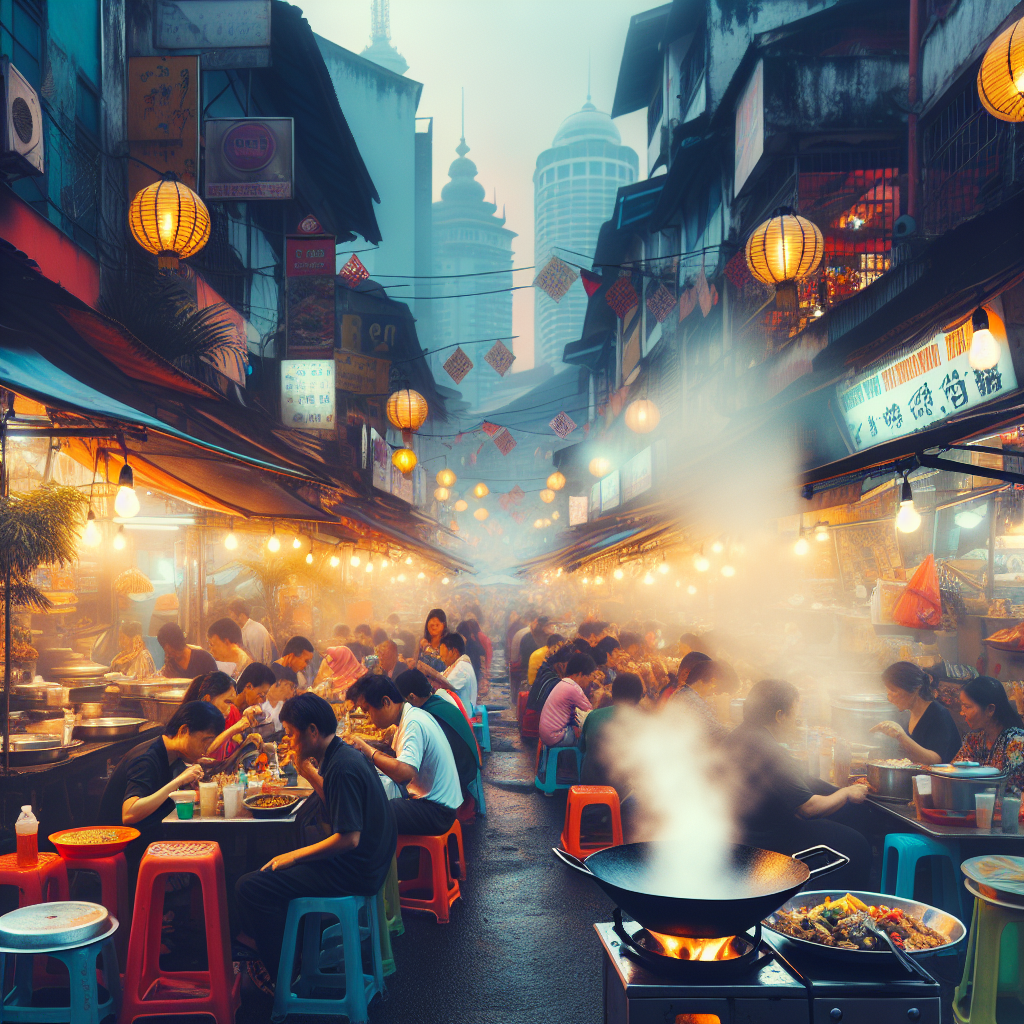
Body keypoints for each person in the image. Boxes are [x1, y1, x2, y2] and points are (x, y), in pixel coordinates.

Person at [235, 692, 397, 995]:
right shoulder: (341, 755)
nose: (289, 740)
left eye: (293, 734)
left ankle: (283, 974)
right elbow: (339, 803)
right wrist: (307, 770)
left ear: (312, 731)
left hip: (358, 870)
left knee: (250, 886)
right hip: (369, 862)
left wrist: (296, 856)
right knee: (270, 872)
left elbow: (349, 838)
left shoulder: (342, 766)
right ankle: (283, 951)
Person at [725, 679, 871, 890]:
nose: (798, 719)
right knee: (856, 844)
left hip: (738, 832)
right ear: (779, 715)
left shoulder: (740, 735)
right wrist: (847, 792)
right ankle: (833, 908)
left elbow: (792, 782)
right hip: (763, 841)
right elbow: (808, 809)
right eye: (795, 712)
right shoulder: (766, 747)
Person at [99, 700, 225, 867]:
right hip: (121, 845)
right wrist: (178, 781)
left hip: (145, 836)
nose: (206, 749)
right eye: (205, 741)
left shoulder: (173, 756)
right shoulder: (146, 758)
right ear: (184, 731)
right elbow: (129, 814)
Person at [348, 675, 462, 836]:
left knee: (371, 812)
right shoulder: (410, 716)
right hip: (436, 803)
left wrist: (368, 750)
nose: (367, 717)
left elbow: (404, 774)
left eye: (367, 710)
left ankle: (382, 861)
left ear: (386, 702)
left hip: (438, 811)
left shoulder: (413, 723)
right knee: (372, 797)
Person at [395, 668, 480, 804]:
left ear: (412, 697)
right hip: (468, 769)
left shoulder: (427, 716)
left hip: (460, 778)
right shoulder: (437, 702)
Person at [870, 662, 962, 765]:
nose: (890, 699)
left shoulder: (938, 714)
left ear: (915, 689)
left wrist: (901, 736)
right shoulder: (906, 713)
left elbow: (935, 761)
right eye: (888, 693)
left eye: (893, 691)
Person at [953, 676, 1024, 795]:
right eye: (962, 706)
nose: (962, 712)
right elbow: (954, 772)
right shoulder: (974, 740)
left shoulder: (1016, 743)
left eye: (967, 707)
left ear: (990, 709)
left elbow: (1009, 791)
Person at [578, 672, 643, 786]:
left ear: (613, 694)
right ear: (639, 697)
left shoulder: (593, 715)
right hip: (619, 791)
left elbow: (582, 748)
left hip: (587, 783)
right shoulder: (640, 722)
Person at [180, 671, 261, 760]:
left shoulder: (231, 712)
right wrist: (233, 729)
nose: (230, 708)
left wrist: (247, 742)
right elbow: (204, 753)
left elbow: (231, 752)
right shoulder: (194, 722)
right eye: (227, 702)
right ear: (207, 699)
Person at [539, 652, 597, 748]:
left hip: (547, 735)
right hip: (556, 736)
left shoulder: (563, 683)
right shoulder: (573, 688)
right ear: (580, 674)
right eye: (589, 676)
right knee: (589, 740)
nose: (589, 681)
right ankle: (580, 762)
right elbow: (591, 712)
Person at [671, 658, 738, 738]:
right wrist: (725, 716)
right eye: (719, 689)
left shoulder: (686, 694)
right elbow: (716, 733)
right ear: (713, 681)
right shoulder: (689, 699)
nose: (715, 693)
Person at [417, 631, 478, 713]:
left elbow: (448, 684)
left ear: (453, 652)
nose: (442, 660)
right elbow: (443, 676)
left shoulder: (462, 666)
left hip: (464, 715)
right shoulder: (455, 665)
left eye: (443, 656)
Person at [227, 597, 275, 666]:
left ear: (241, 616)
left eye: (232, 613)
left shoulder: (255, 631)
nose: (230, 617)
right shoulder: (245, 629)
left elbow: (256, 662)